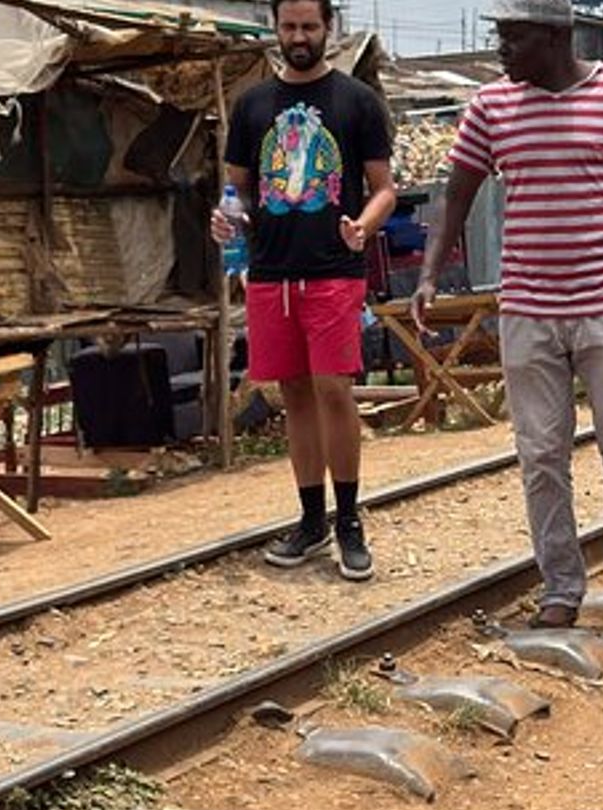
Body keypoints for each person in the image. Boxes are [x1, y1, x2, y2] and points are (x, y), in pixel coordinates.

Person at [411, 0, 603, 644]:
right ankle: (561, 587)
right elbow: (458, 194)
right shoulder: (490, 107)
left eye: (511, 36)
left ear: (554, 37)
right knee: (542, 456)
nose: (500, 48)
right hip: (528, 308)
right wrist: (431, 273)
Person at [216, 0, 397, 581]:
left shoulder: (356, 102)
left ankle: (349, 520)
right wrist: (226, 221)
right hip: (271, 274)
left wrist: (363, 225)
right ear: (276, 29)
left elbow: (385, 188)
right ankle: (311, 519)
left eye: (309, 27)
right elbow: (237, 191)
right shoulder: (251, 106)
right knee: (292, 393)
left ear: (327, 30)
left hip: (333, 271)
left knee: (333, 390)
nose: (299, 37)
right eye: (290, 27)